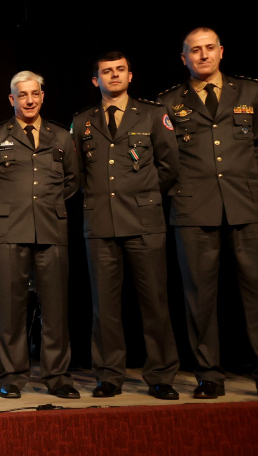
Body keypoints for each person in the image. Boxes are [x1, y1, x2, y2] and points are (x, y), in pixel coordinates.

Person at [158, 28, 258, 400]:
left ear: (221, 52)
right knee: (199, 297)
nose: (203, 56)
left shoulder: (248, 91)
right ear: (183, 58)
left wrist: (241, 176)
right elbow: (165, 160)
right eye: (194, 51)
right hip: (192, 209)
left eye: (209, 49)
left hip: (244, 204)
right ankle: (209, 375)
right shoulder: (169, 101)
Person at [71, 52, 180, 400]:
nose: (114, 76)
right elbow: (78, 174)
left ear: (130, 76)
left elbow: (169, 166)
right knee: (105, 307)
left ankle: (161, 375)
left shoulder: (152, 114)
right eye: (106, 72)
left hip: (144, 221)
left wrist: (142, 195)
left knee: (155, 304)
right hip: (101, 223)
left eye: (120, 70)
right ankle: (109, 375)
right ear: (95, 80)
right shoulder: (82, 121)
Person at [0, 71, 80, 399]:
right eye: (22, 95)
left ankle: (58, 375)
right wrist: (8, 206)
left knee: (55, 307)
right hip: (8, 229)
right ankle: (11, 375)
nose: (29, 100)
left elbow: (72, 181)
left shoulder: (61, 137)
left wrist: (46, 206)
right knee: (10, 307)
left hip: (51, 228)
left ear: (42, 96)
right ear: (12, 99)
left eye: (34, 94)